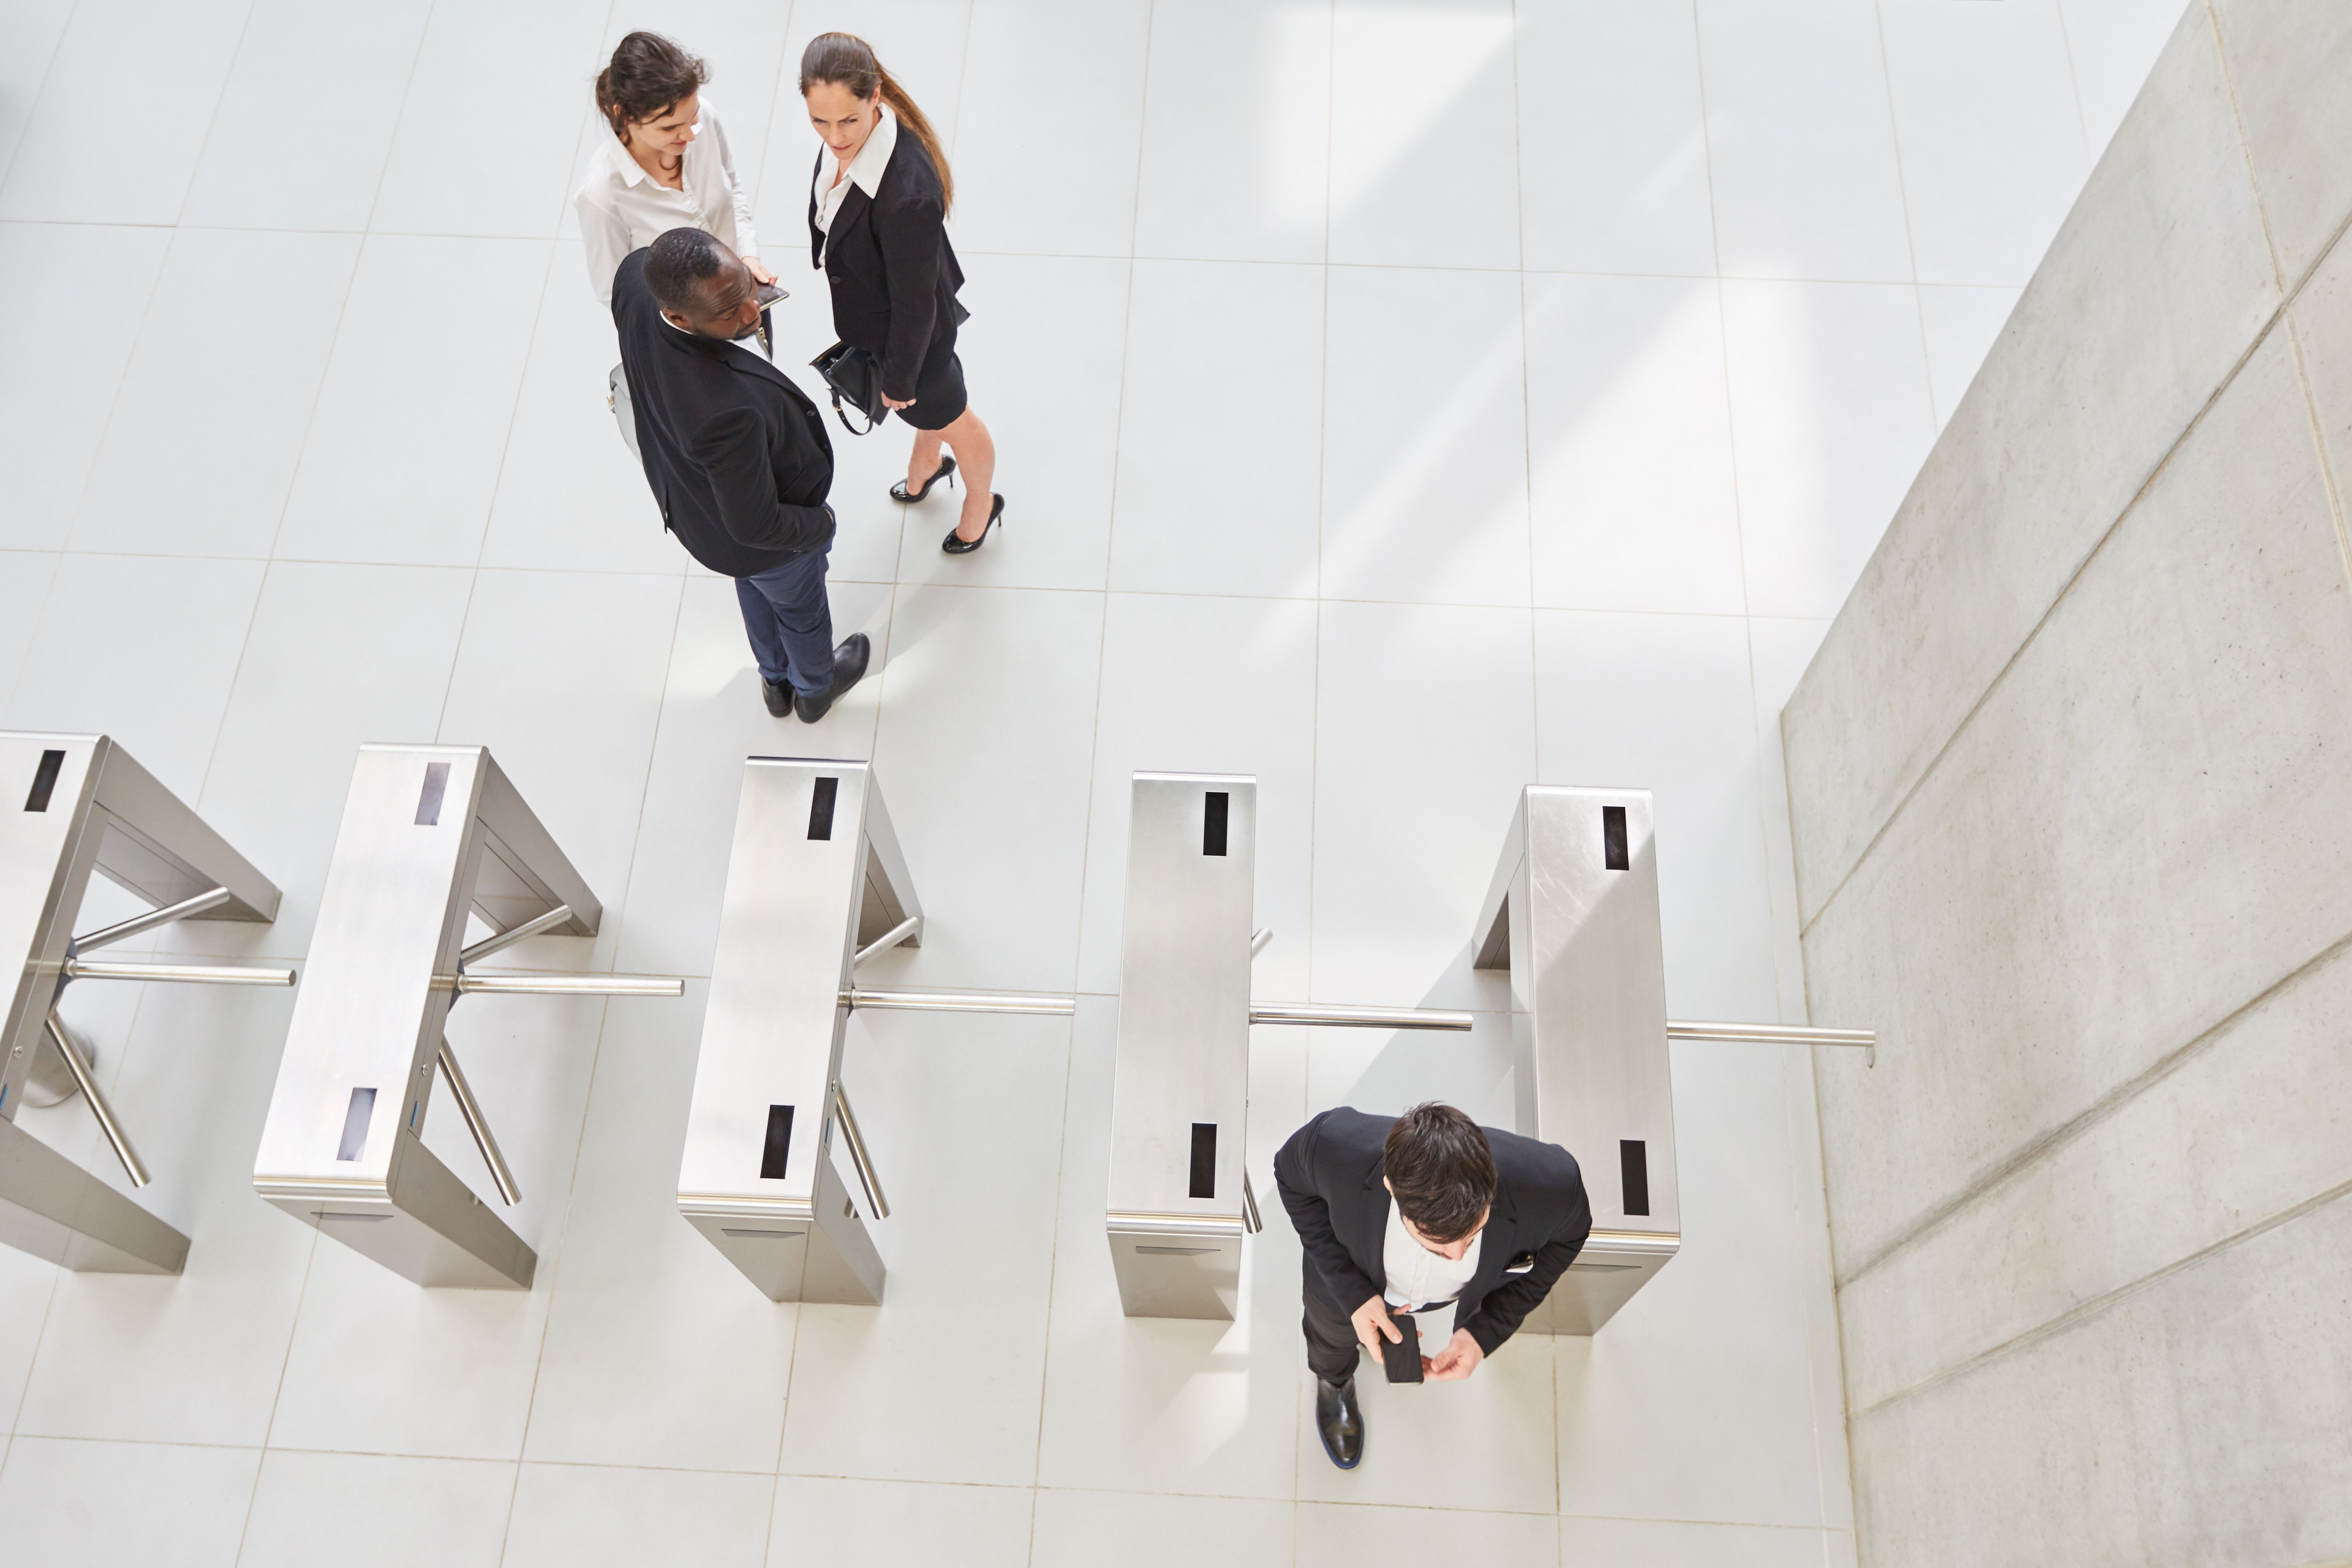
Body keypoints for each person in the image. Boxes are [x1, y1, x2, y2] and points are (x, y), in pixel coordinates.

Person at [613, 226, 868, 722]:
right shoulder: (722, 412)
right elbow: (757, 527)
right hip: (762, 535)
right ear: (678, 314)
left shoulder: (634, 278)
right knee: (799, 608)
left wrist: (735, 294)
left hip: (701, 515)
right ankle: (814, 688)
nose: (753, 313)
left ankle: (775, 681)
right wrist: (823, 524)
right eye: (729, 312)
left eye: (746, 291)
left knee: (752, 587)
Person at [1273, 1102, 1592, 1471]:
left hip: (1429, 1299)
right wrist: (1353, 1295)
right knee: (1329, 1338)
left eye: (1473, 1234)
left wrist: (1484, 1332)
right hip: (1342, 1281)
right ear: (1391, 1187)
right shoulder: (1333, 1145)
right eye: (1436, 1244)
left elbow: (1571, 1236)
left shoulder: (1551, 1183)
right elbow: (1288, 1176)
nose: (1457, 1256)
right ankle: (1334, 1382)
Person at [799, 32, 1003, 554]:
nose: (834, 136)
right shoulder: (852, 142)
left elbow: (916, 306)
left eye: (848, 120)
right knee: (930, 414)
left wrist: (900, 378)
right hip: (889, 322)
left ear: (875, 98)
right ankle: (927, 461)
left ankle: (981, 500)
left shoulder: (905, 195)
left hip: (911, 341)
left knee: (952, 415)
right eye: (819, 121)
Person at [577, 32, 773, 308]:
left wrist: (747, 257)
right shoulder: (602, 196)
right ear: (625, 116)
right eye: (669, 128)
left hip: (743, 293)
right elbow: (617, 294)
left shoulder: (704, 116)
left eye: (691, 119)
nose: (690, 136)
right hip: (684, 333)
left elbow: (733, 189)